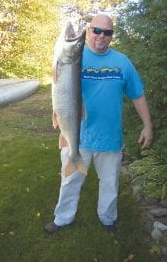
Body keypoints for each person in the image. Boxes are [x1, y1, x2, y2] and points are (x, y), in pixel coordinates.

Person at [45, 14, 153, 234]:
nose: (100, 36)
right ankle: (63, 218)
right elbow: (58, 82)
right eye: (96, 31)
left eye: (107, 32)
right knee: (69, 182)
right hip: (77, 134)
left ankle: (107, 218)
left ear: (111, 35)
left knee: (110, 184)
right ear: (89, 30)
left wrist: (147, 125)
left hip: (110, 137)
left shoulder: (122, 62)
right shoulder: (74, 56)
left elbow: (138, 95)